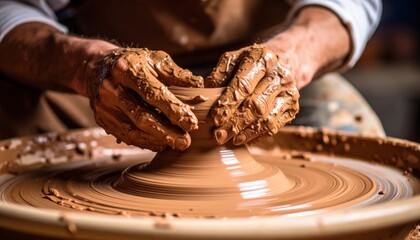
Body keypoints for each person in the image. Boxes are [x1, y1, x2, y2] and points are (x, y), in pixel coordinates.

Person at [0, 0, 384, 152]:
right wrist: (86, 65)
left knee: (349, 129)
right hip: (108, 84)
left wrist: (294, 54)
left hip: (264, 72)